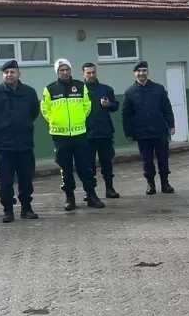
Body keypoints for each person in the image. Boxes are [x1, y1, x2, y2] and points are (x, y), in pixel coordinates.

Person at [0, 60, 40, 223]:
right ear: (3, 74)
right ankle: (8, 211)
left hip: (24, 144)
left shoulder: (29, 92)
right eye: (6, 72)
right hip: (4, 146)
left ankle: (26, 208)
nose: (9, 75)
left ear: (18, 74)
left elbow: (34, 112)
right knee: (6, 181)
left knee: (26, 179)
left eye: (12, 72)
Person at [42, 58, 102, 211]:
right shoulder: (50, 89)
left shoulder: (81, 86)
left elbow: (87, 105)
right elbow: (45, 109)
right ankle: (70, 198)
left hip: (80, 134)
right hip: (60, 136)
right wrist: (55, 121)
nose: (65, 72)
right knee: (65, 168)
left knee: (85, 167)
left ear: (71, 70)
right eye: (61, 70)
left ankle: (92, 196)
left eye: (67, 69)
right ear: (57, 72)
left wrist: (81, 118)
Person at [122, 60, 176, 196]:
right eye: (139, 71)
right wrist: (128, 132)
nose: (141, 73)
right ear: (135, 73)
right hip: (142, 133)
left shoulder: (158, 88)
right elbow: (126, 115)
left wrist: (171, 124)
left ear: (148, 72)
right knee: (147, 161)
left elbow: (167, 108)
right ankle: (150, 184)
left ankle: (165, 183)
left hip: (159, 131)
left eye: (144, 70)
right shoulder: (129, 92)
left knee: (163, 158)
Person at [82, 62, 121, 199]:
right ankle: (90, 192)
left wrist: (108, 104)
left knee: (107, 163)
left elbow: (116, 106)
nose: (91, 75)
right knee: (88, 165)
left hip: (105, 132)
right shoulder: (79, 90)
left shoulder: (106, 89)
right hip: (87, 134)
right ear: (83, 74)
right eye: (88, 73)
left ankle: (109, 189)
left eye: (93, 72)